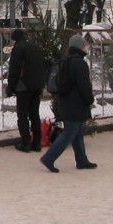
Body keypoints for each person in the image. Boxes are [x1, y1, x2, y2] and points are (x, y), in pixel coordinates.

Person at [40, 35, 97, 173]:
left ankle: (82, 160)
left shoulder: (66, 61)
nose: (86, 47)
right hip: (76, 104)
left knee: (76, 132)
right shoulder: (80, 64)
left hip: (66, 103)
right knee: (70, 132)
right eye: (85, 45)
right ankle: (49, 157)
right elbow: (84, 86)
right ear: (79, 47)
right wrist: (89, 100)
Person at [5, 28, 47, 152]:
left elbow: (14, 70)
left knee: (22, 115)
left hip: (24, 86)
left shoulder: (18, 49)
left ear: (15, 39)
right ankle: (37, 143)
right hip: (37, 85)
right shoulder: (34, 47)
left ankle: (26, 143)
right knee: (34, 114)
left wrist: (10, 88)